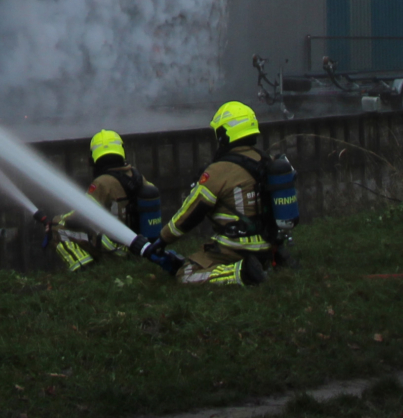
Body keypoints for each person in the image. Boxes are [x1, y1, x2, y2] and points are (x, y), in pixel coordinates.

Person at [155, 101, 273, 285]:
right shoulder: (265, 161)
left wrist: (162, 239)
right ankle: (266, 264)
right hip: (268, 243)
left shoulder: (219, 170)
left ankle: (241, 274)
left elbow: (190, 212)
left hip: (236, 247)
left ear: (225, 134)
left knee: (185, 273)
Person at [41, 129, 153, 271]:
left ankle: (86, 270)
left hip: (119, 249)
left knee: (56, 230)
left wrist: (57, 220)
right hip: (141, 246)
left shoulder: (102, 183)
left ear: (93, 158)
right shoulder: (137, 177)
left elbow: (80, 217)